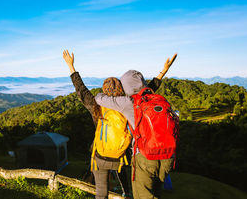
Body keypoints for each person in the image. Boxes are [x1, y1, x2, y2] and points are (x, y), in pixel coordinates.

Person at [62, 50, 175, 199]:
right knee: (132, 185)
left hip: (100, 157)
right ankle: (126, 193)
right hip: (121, 158)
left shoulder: (96, 106)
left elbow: (81, 91)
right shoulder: (130, 104)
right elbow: (148, 90)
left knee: (101, 191)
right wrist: (162, 72)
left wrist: (71, 67)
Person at [95, 54, 177, 199]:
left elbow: (98, 99)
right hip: (168, 155)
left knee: (142, 196)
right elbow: (152, 86)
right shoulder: (153, 99)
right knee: (157, 192)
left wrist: (108, 92)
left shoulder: (127, 102)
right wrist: (164, 71)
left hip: (145, 156)